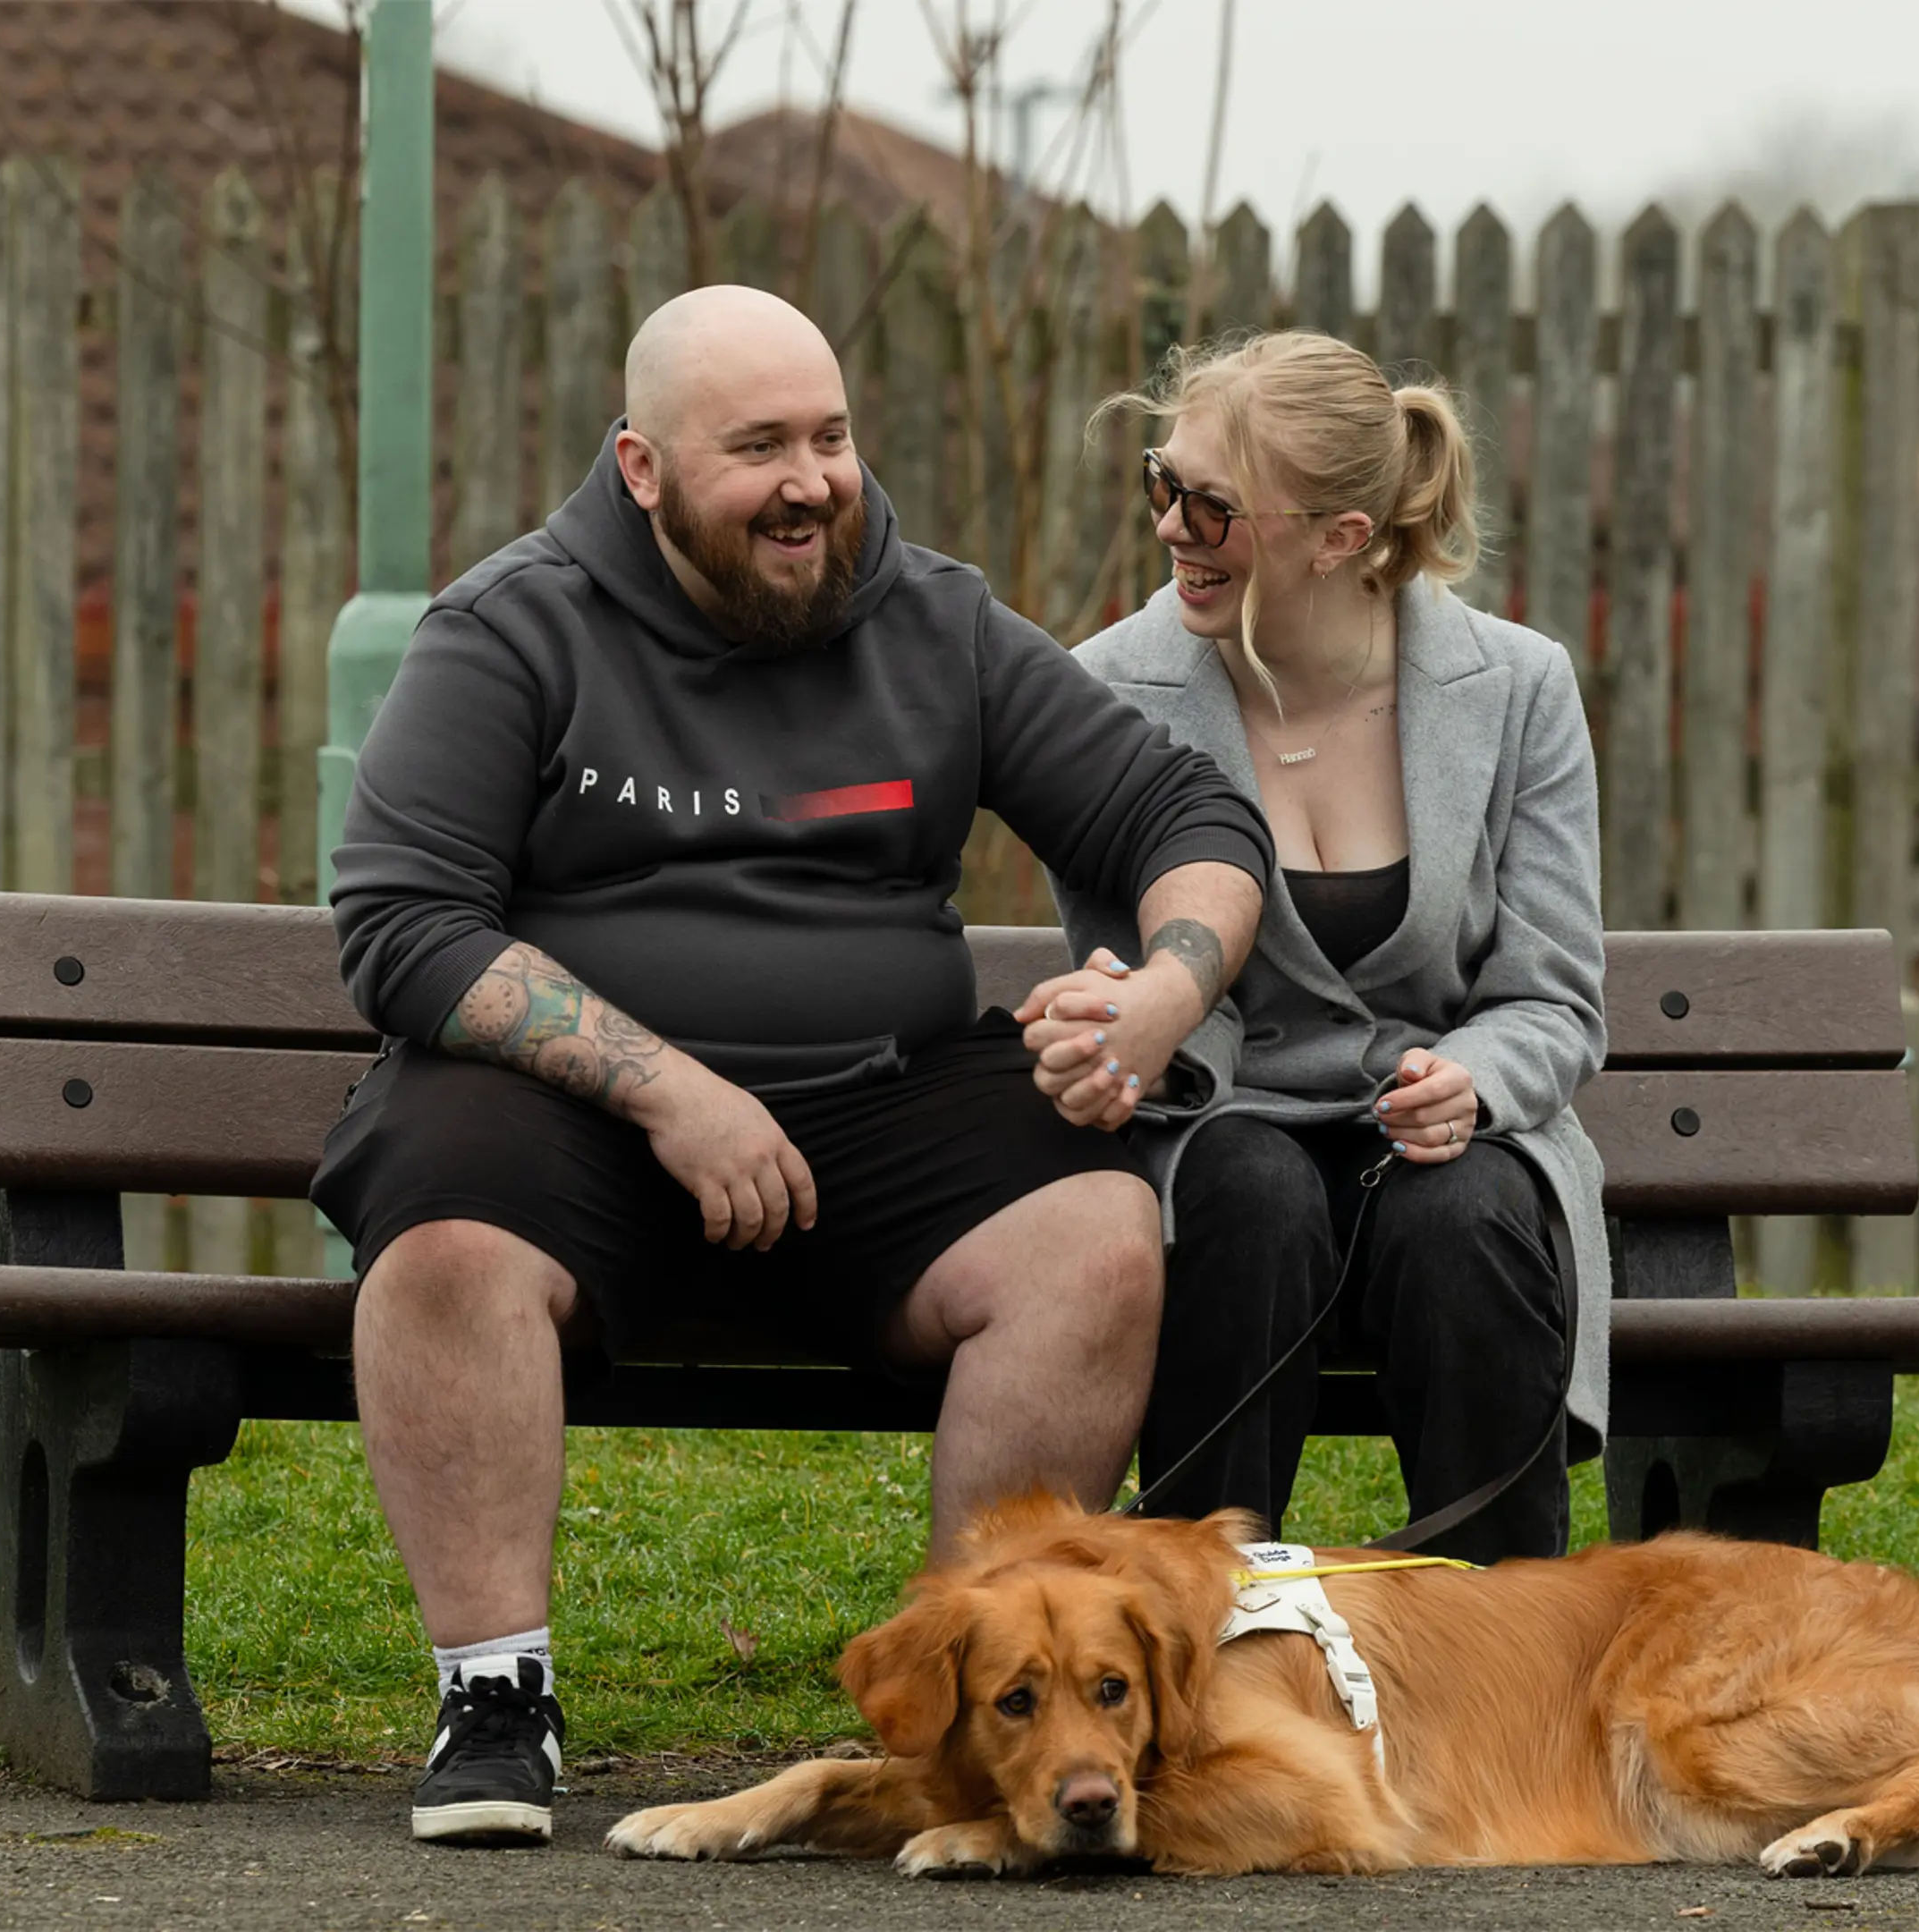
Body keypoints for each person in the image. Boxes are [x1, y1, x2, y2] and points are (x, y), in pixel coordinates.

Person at [317, 285, 1271, 1849]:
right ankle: (496, 1701)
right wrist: (668, 1089)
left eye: (829, 436)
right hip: (578, 1122)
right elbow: (403, 924)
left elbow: (1188, 820)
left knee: (1097, 1237)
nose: (811, 480)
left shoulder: (935, 618)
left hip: (882, 1102)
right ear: (641, 468)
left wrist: (1169, 987)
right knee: (438, 1224)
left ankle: (985, 1704)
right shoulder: (513, 627)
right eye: (755, 446)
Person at [1053, 329, 1609, 1566]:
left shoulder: (1517, 690)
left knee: (1463, 1212)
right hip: (1226, 1122)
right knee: (1246, 1191)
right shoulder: (1107, 693)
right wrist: (1127, 1026)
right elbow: (1147, 986)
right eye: (1163, 483)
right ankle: (1201, 1616)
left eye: (1215, 507)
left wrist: (1479, 1079)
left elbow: (1554, 996)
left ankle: (1507, 1638)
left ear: (1342, 537)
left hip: (1446, 1139)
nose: (1173, 529)